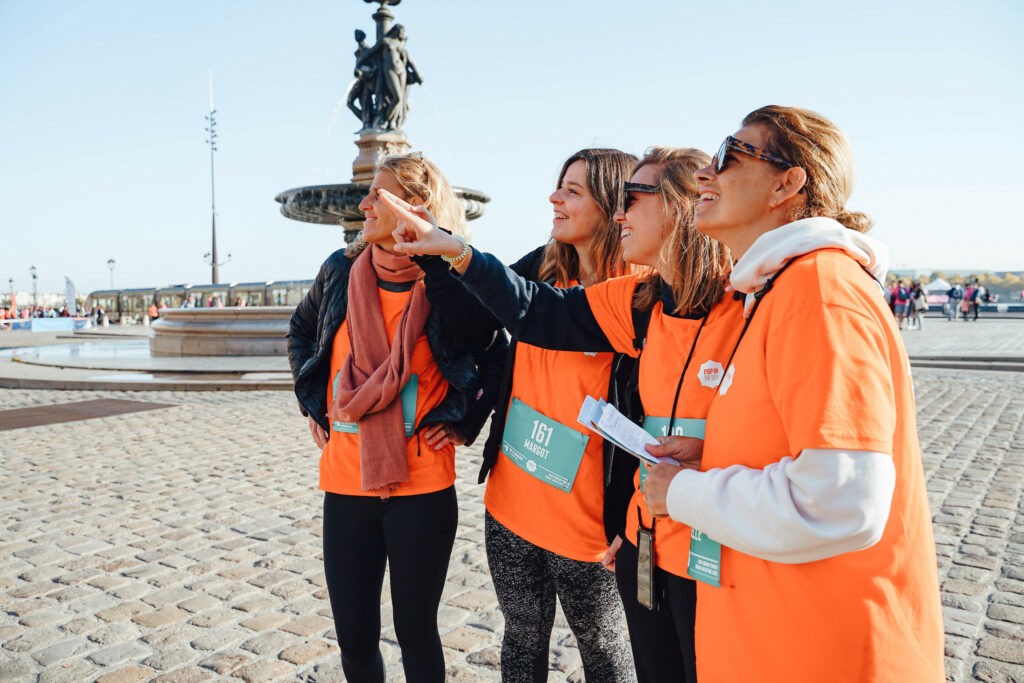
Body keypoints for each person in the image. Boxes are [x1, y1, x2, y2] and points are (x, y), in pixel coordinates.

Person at [381, 146, 739, 683]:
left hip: (609, 521)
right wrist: (442, 255)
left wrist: (629, 512)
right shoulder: (580, 279)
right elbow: (516, 314)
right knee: (525, 638)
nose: (555, 198)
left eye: (574, 191)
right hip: (519, 498)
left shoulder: (675, 297)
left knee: (611, 651)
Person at [635, 105, 943, 681]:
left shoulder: (819, 289)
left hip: (820, 652)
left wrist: (685, 493)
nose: (707, 173)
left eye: (729, 156)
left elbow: (841, 501)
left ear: (788, 183)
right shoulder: (782, 289)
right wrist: (713, 457)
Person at [286, 152, 507, 683]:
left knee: (416, 633)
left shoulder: (451, 283)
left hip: (423, 490)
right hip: (346, 485)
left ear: (414, 207)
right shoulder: (340, 270)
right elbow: (301, 333)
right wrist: (312, 401)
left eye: (376, 195)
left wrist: (463, 421)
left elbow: (499, 353)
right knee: (355, 639)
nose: (363, 204)